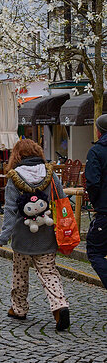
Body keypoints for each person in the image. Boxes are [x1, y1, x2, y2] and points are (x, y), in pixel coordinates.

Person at [0, 139, 70, 331]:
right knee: (49, 271)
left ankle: (19, 308)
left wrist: (4, 236)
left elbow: (11, 210)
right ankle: (59, 305)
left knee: (20, 274)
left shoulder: (14, 178)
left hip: (22, 236)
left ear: (17, 156)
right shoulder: (50, 174)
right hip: (46, 231)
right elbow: (61, 199)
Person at [84, 114, 107, 289]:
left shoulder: (96, 151)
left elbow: (92, 182)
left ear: (99, 132)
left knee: (95, 251)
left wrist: (94, 202)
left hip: (105, 211)